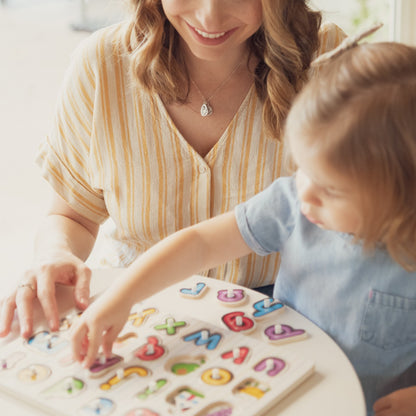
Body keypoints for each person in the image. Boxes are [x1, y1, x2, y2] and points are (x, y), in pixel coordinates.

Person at [70, 39, 416, 415]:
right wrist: (119, 300)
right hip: (278, 387)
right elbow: (200, 243)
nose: (306, 195)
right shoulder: (292, 205)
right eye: (302, 170)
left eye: (331, 189)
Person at [0, 1, 345, 339]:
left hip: (279, 324)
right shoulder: (101, 64)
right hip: (129, 312)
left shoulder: (331, 63)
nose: (210, 15)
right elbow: (73, 216)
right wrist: (54, 252)